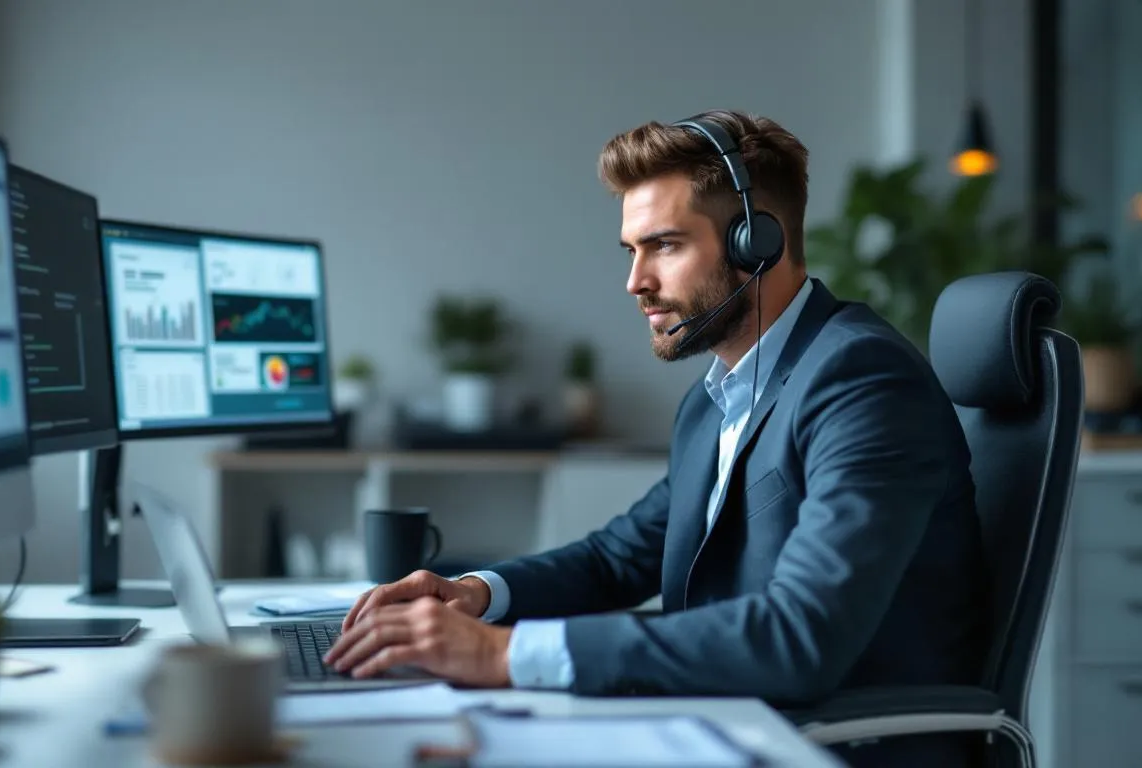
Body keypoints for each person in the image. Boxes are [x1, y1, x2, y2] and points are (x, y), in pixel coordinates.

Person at [323, 110, 989, 766]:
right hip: (731, 720)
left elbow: (801, 635)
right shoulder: (719, 399)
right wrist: (475, 592)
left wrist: (501, 654)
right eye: (632, 250)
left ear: (758, 242)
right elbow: (617, 559)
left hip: (833, 747)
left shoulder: (861, 380)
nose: (636, 282)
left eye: (664, 245)